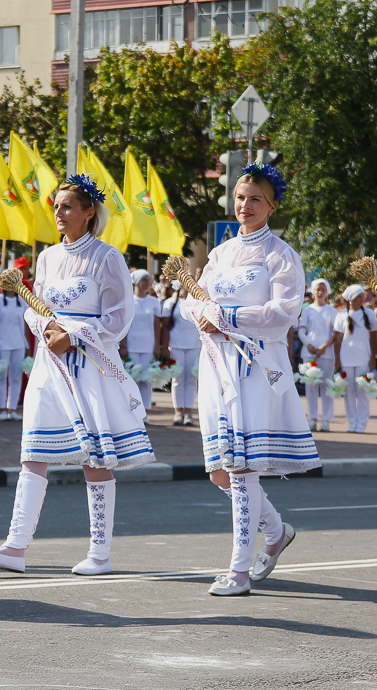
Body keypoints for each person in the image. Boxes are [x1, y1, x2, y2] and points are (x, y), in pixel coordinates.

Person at [0, 175, 155, 577]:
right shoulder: (47, 258)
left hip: (89, 366)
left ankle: (100, 555)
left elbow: (120, 318)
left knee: (94, 458)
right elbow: (34, 306)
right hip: (47, 364)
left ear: (90, 213)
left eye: (68, 206)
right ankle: (15, 547)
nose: (59, 213)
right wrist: (44, 328)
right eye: (56, 206)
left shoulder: (108, 258)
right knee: (33, 453)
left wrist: (73, 336)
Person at [182, 165, 319, 596]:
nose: (245, 206)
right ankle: (276, 532)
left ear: (272, 205)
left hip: (255, 366)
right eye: (240, 198)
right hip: (216, 364)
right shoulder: (220, 254)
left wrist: (230, 317)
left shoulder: (281, 254)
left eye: (255, 199)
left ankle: (239, 571)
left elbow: (284, 313)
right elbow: (194, 301)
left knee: (241, 469)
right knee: (221, 473)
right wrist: (203, 315)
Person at [334, 284, 376, 433]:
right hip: (346, 359)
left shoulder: (369, 314)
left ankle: (362, 423)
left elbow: (374, 337)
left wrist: (373, 357)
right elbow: (337, 339)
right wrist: (337, 360)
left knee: (362, 390)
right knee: (350, 391)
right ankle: (352, 422)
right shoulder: (340, 315)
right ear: (351, 299)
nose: (362, 298)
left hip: (364, 358)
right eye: (359, 296)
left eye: (362, 296)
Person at [297, 278, 337, 431]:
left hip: (326, 353)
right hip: (310, 352)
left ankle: (326, 420)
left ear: (327, 292)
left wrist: (325, 346)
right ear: (313, 291)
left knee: (327, 387)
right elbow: (301, 330)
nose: (320, 293)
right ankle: (313, 418)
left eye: (323, 290)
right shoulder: (307, 310)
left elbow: (334, 333)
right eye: (318, 290)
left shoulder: (332, 311)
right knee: (311, 386)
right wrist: (308, 344)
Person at [122, 269, 163, 412]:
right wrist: (123, 345)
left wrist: (157, 345)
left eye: (148, 280)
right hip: (132, 345)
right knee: (132, 378)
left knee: (146, 379)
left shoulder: (153, 302)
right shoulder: (128, 301)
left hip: (148, 345)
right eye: (144, 280)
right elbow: (125, 325)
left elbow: (157, 326)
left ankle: (145, 410)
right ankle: (134, 410)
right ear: (136, 283)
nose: (147, 283)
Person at [161, 281, 200, 426]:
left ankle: (189, 413)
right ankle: (178, 412)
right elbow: (165, 327)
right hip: (176, 345)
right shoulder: (170, 303)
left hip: (195, 345)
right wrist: (165, 348)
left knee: (191, 379)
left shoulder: (197, 302)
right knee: (177, 379)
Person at [0, 287, 28, 421]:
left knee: (16, 377)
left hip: (19, 343)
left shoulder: (22, 302)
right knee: (1, 375)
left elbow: (25, 324)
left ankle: (12, 409)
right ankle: (1, 409)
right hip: (2, 343)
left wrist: (27, 345)